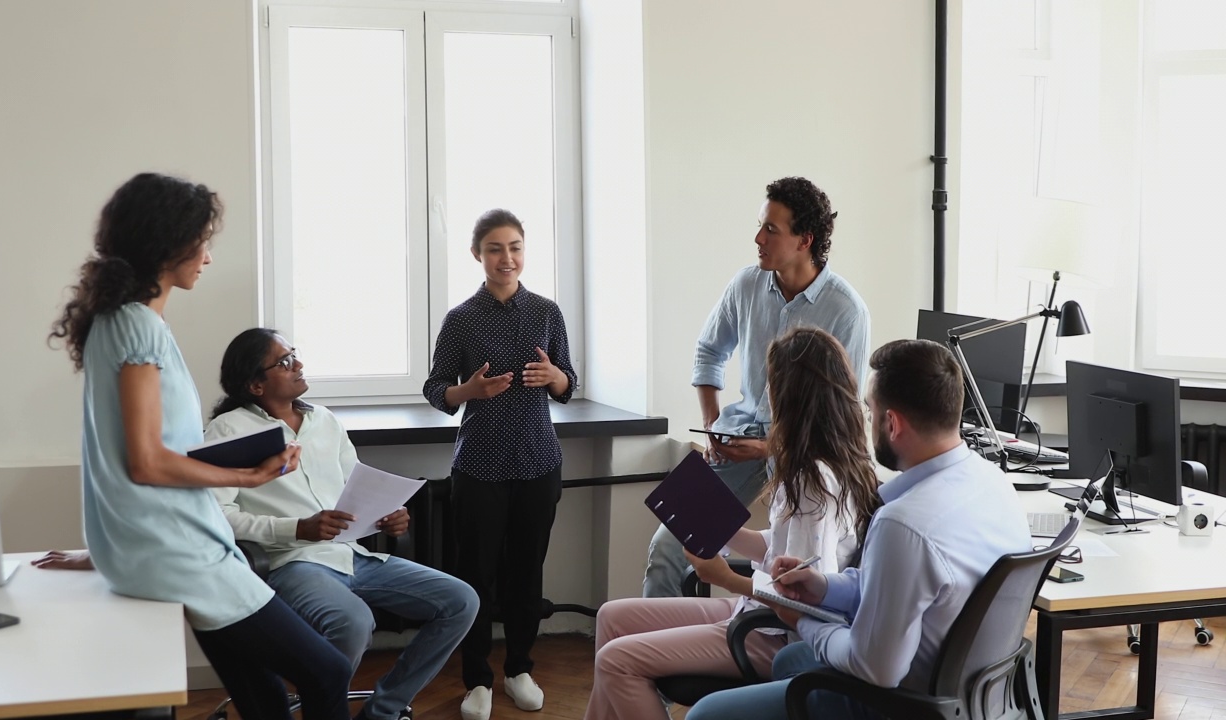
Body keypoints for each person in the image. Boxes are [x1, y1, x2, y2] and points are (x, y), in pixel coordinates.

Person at [47, 173, 352, 720]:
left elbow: (121, 455)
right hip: (182, 554)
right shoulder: (138, 325)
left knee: (264, 699)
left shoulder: (112, 324)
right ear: (169, 243)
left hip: (158, 548)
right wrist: (249, 476)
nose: (207, 257)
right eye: (202, 241)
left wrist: (107, 550)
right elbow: (145, 461)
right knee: (327, 672)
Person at [684, 339, 1033, 720]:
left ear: (892, 423)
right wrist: (825, 587)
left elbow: (877, 669)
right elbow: (894, 587)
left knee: (706, 715)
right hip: (978, 697)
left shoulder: (904, 523)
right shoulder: (995, 483)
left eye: (870, 410)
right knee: (790, 660)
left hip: (898, 705)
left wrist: (803, 620)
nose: (866, 420)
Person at [583, 327, 882, 720]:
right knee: (612, 617)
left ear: (789, 396)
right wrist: (721, 530)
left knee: (616, 660)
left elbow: (809, 598)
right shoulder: (833, 462)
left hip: (775, 633)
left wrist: (722, 577)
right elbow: (785, 547)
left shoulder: (813, 478)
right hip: (754, 612)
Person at [205, 328, 480, 720]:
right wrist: (297, 528)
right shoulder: (229, 431)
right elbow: (220, 517)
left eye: (294, 354)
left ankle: (381, 711)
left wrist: (386, 516)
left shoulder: (325, 421)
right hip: (293, 563)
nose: (298, 365)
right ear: (255, 383)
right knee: (353, 623)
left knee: (461, 601)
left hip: (353, 554)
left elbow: (355, 488)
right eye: (284, 362)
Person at [645, 176, 872, 598]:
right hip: (739, 441)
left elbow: (842, 418)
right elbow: (709, 351)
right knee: (667, 547)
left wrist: (772, 448)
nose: (758, 238)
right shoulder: (746, 283)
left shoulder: (847, 311)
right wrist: (712, 422)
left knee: (800, 565)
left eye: (771, 229)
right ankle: (660, 654)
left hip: (808, 451)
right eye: (761, 225)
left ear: (805, 240)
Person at [422, 209, 578, 720]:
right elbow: (434, 389)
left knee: (526, 574)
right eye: (494, 248)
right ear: (477, 255)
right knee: (475, 577)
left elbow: (568, 386)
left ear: (523, 252)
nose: (505, 258)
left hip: (538, 460)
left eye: (514, 247)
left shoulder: (547, 312)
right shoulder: (461, 319)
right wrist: (470, 390)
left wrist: (555, 376)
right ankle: (477, 680)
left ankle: (519, 669)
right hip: (479, 466)